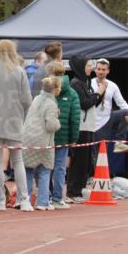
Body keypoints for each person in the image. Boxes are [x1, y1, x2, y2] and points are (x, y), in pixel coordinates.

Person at [0, 39, 33, 212]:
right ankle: (24, 200)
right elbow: (27, 100)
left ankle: (0, 200)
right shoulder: (19, 71)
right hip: (14, 121)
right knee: (17, 160)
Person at [66, 56, 104, 202]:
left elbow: (92, 102)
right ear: (81, 67)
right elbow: (84, 103)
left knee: (86, 161)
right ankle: (73, 191)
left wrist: (99, 94)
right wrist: (98, 93)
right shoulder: (76, 83)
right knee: (79, 161)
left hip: (88, 126)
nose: (91, 68)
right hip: (81, 127)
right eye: (88, 65)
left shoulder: (85, 82)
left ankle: (79, 190)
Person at [22, 75, 62, 210]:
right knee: (45, 170)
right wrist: (58, 121)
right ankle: (42, 202)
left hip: (27, 138)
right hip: (43, 141)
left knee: (27, 170)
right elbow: (51, 126)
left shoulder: (36, 99)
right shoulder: (52, 104)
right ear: (55, 89)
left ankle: (25, 200)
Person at [46, 60, 80, 207]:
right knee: (60, 168)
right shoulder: (72, 93)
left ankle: (45, 197)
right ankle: (57, 198)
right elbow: (75, 119)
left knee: (45, 167)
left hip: (46, 135)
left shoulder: (45, 89)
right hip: (63, 138)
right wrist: (73, 139)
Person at [92, 58, 128, 176]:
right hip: (94, 121)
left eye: (103, 69)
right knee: (99, 152)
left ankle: (119, 142)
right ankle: (95, 176)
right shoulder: (89, 83)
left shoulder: (112, 85)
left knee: (126, 111)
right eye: (99, 69)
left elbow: (122, 103)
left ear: (108, 71)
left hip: (108, 118)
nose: (101, 72)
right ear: (95, 70)